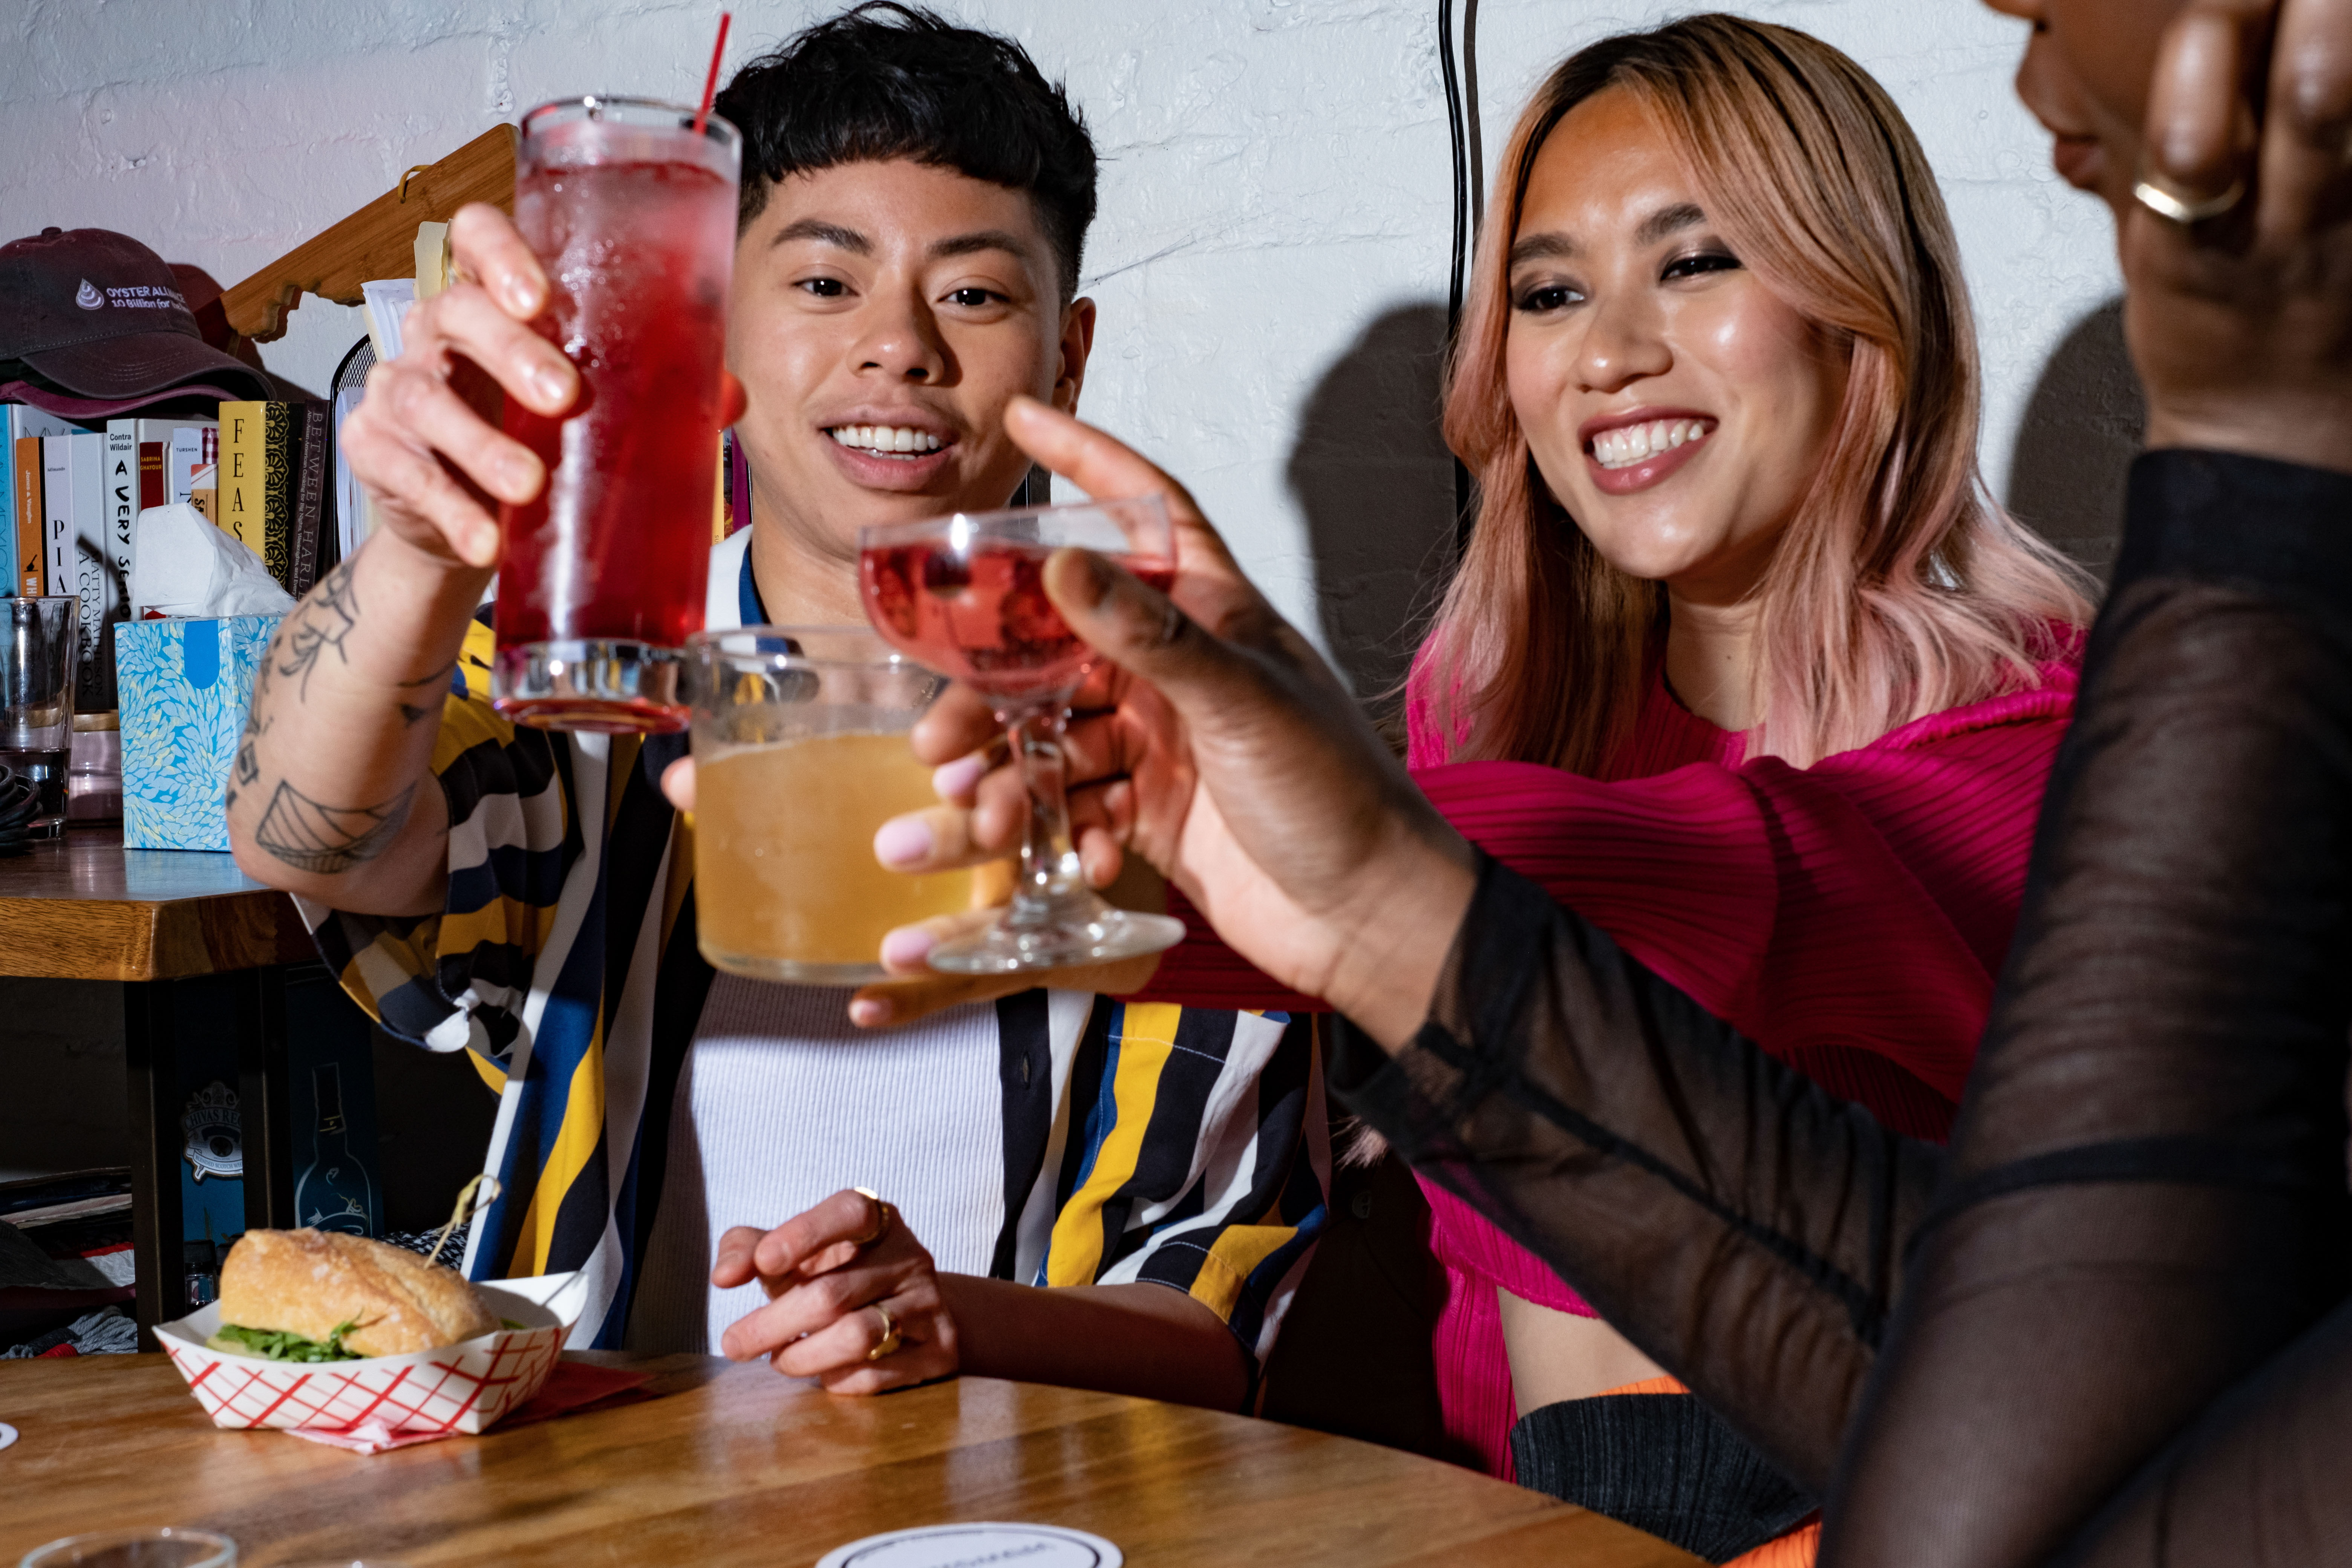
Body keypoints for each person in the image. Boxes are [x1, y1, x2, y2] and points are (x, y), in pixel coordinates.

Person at [867, 0, 2352, 1560]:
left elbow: (1747, 879)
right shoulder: (1484, 717)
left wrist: (1206, 843)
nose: (1609, 350)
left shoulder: (2057, 737)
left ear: (1870, 308)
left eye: (1696, 260)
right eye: (1548, 290)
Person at [227, 3, 1326, 1409]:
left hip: (1028, 1497)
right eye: (822, 284)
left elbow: (1211, 1314)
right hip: (595, 1470)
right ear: (714, 331)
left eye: (977, 295)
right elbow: (299, 838)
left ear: (1069, 355)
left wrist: (951, 1319)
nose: (899, 348)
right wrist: (415, 552)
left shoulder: (1166, 745)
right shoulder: (599, 666)